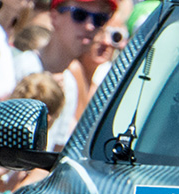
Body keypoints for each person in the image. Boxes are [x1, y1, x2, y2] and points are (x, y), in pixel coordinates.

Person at [11, 0, 112, 150]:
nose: (90, 26)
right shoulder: (21, 66)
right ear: (54, 17)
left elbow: (56, 150)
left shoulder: (70, 82)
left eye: (99, 19)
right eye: (80, 15)